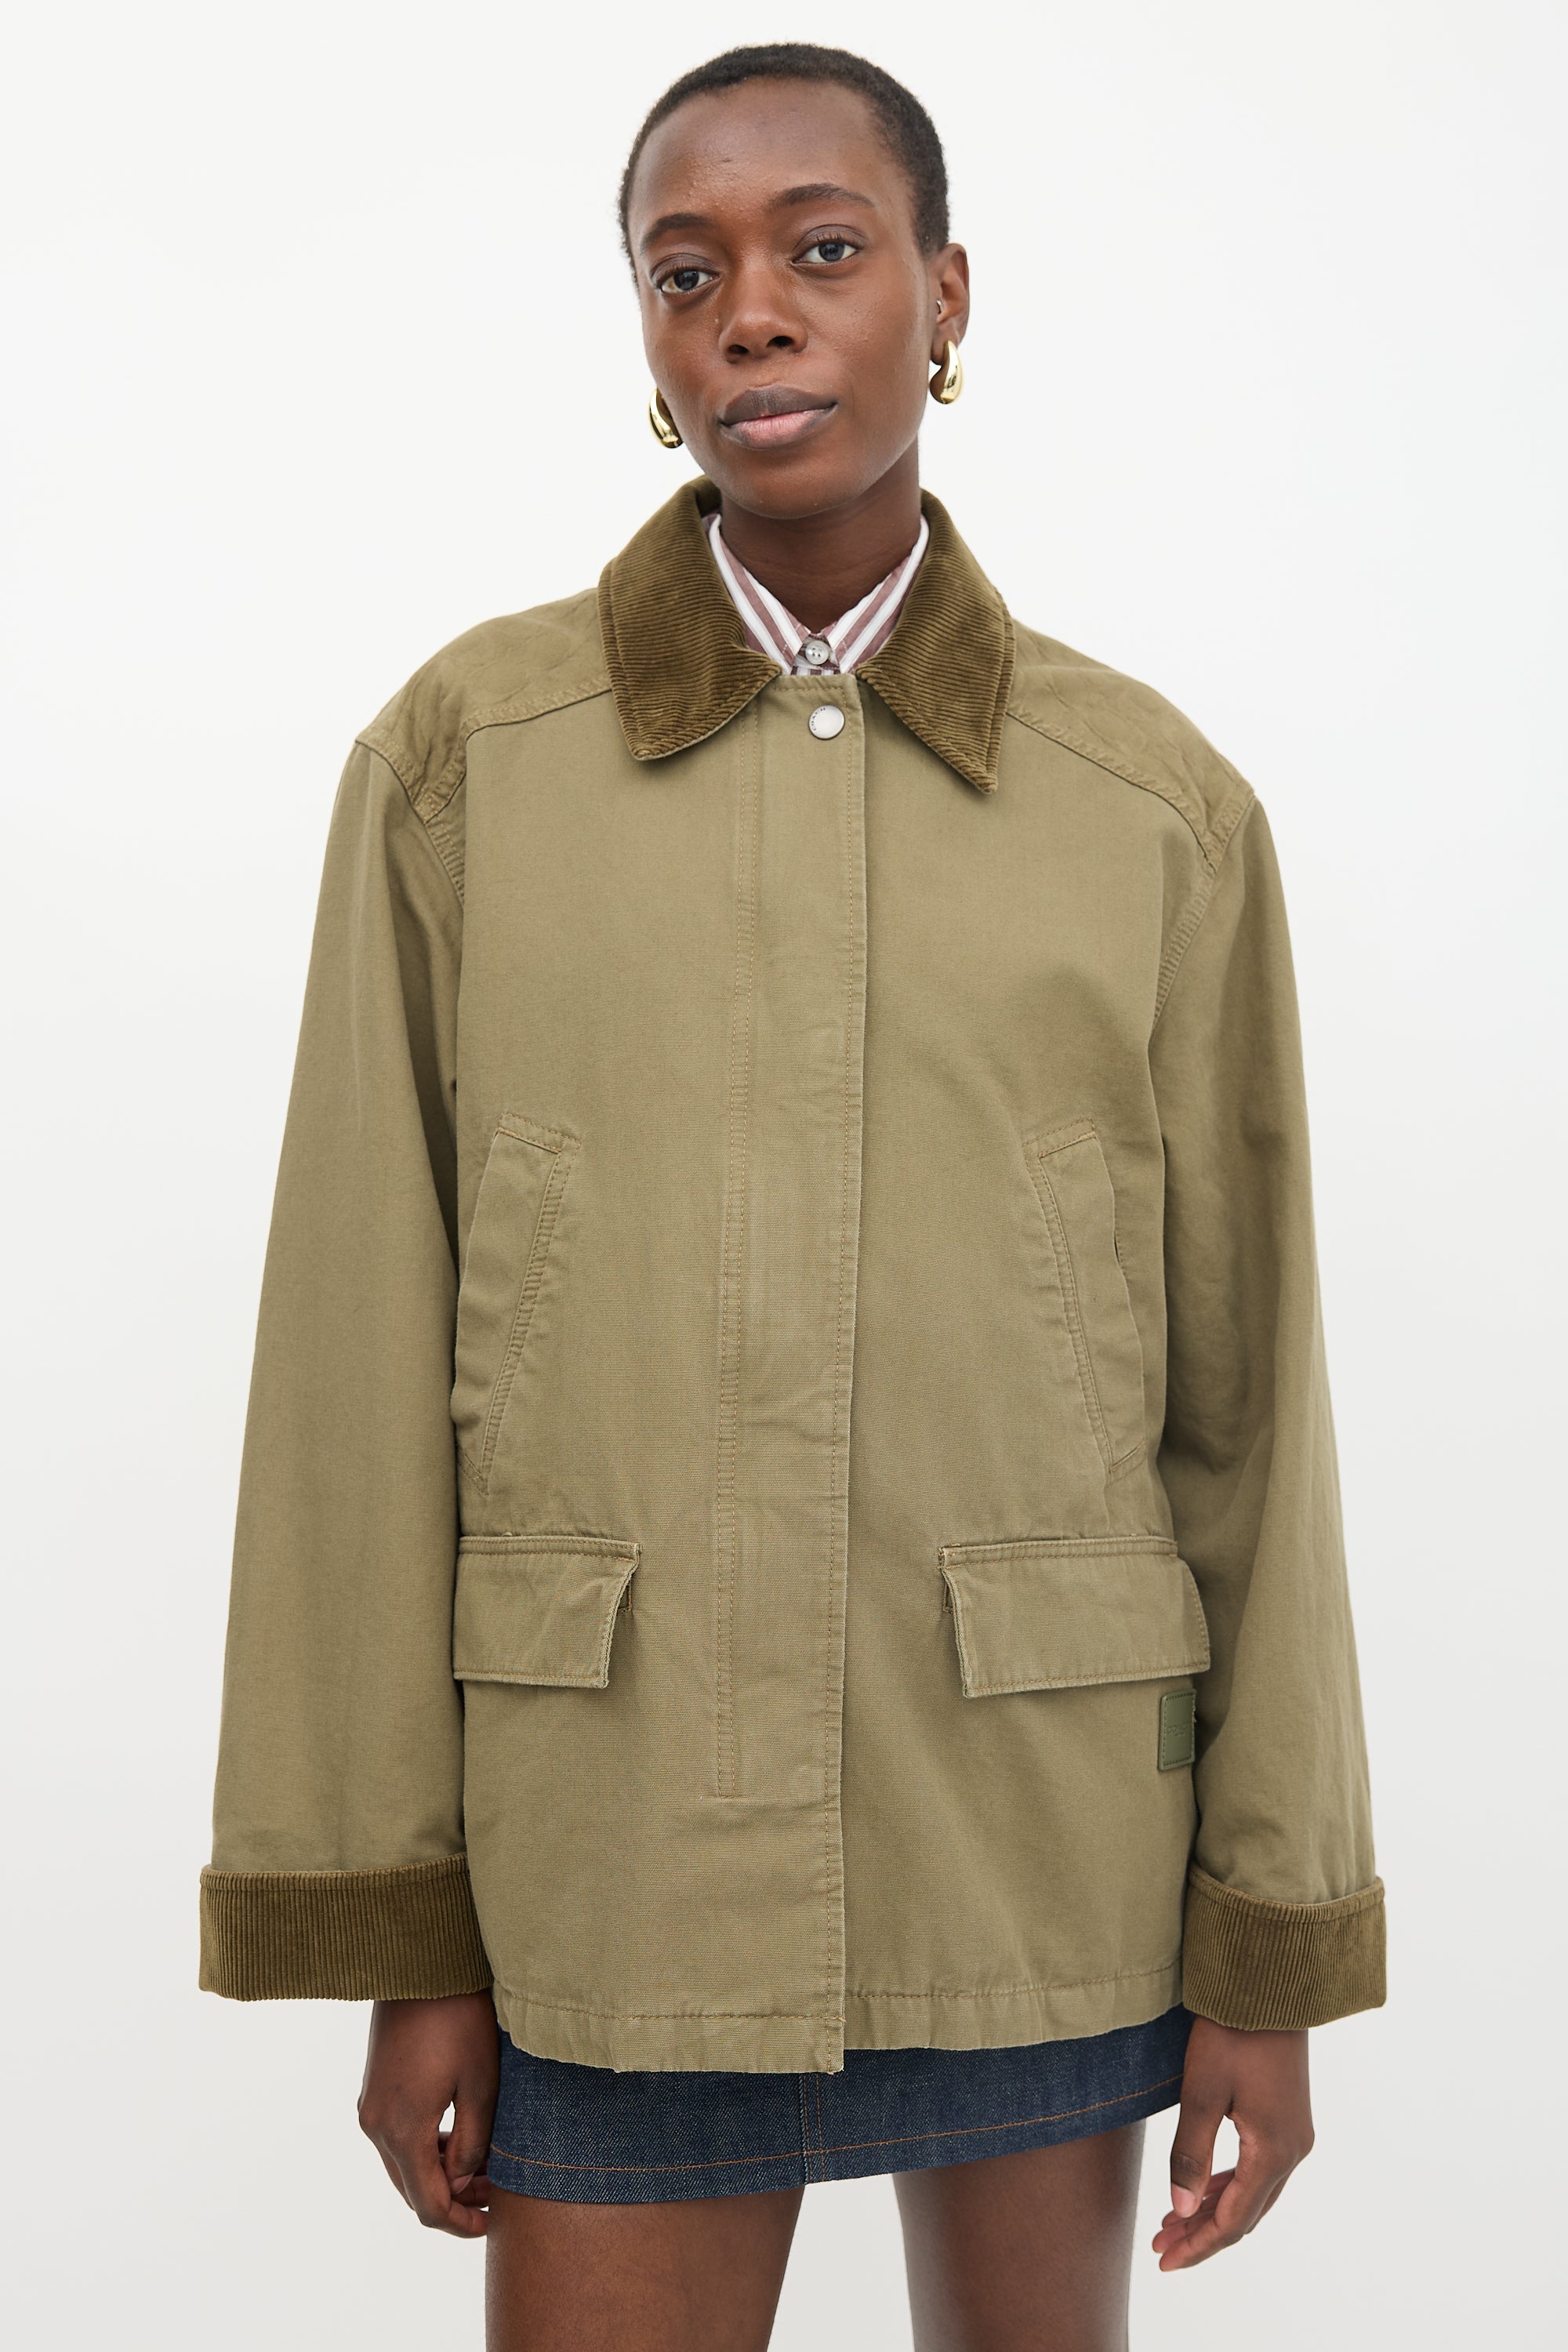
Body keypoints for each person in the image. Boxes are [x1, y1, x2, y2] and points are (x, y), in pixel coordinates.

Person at [199, 43, 1385, 2352]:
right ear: (648, 340)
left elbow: (1255, 1414)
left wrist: (1274, 1947)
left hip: (1034, 1837)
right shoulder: (468, 767)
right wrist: (402, 1928)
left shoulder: (1150, 808)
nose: (749, 309)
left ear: (946, 296)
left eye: (822, 250)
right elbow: (350, 1363)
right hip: (621, 1853)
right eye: (685, 271)